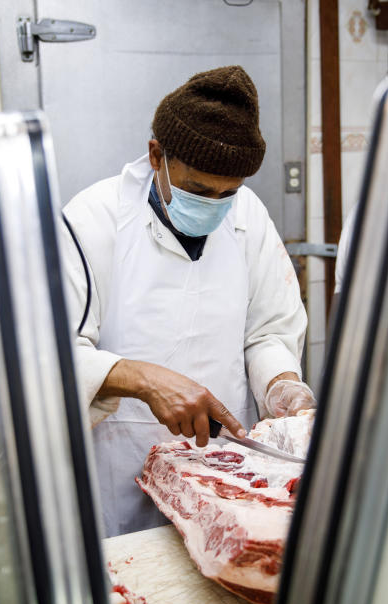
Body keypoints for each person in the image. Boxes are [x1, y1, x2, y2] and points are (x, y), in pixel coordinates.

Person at [60, 66, 316, 537]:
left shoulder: (247, 215)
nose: (215, 204)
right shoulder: (91, 220)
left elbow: (268, 330)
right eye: (198, 190)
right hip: (120, 469)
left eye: (227, 193)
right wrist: (144, 379)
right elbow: (49, 359)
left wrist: (282, 384)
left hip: (227, 473)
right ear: (157, 154)